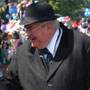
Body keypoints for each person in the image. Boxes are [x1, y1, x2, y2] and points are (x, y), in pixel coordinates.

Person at [0, 2, 90, 90]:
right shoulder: (22, 52)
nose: (26, 34)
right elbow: (10, 82)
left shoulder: (83, 46)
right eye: (25, 29)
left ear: (47, 27)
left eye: (30, 28)